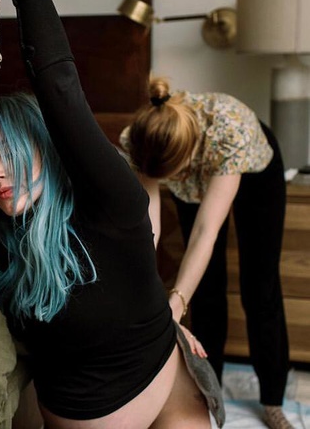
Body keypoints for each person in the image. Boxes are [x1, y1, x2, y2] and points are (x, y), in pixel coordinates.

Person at [0, 0, 224, 428]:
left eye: (7, 153)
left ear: (46, 149)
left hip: (172, 379)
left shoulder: (111, 203)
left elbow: (59, 87)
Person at [120, 76, 292, 429]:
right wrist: (145, 287)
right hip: (186, 163)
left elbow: (205, 232)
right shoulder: (143, 138)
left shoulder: (230, 133)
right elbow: (148, 222)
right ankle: (208, 393)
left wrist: (176, 301)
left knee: (259, 287)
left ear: (188, 160)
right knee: (207, 288)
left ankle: (273, 400)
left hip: (255, 169)